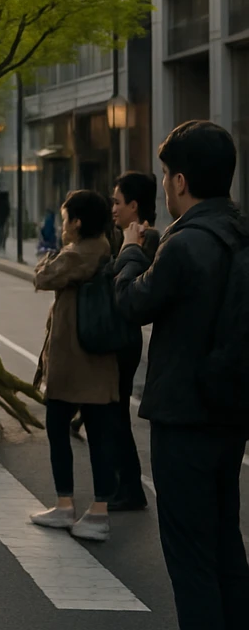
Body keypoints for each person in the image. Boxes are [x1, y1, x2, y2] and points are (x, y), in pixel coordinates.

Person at [114, 121, 249, 630]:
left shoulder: (185, 242)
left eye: (168, 174)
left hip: (184, 416)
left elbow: (132, 303)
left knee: (190, 556)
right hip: (231, 410)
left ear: (179, 182)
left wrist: (129, 250)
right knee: (224, 543)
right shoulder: (238, 231)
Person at [30, 189, 118, 542]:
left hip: (74, 360)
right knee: (99, 436)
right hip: (97, 361)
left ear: (77, 223)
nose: (63, 226)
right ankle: (97, 508)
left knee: (57, 427)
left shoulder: (79, 254)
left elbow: (42, 277)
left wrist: (49, 256)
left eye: (66, 219)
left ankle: (72, 506)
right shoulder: (104, 249)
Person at [104, 171, 159, 512]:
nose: (113, 207)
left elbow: (130, 281)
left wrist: (123, 253)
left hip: (125, 337)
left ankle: (129, 487)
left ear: (134, 205)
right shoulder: (128, 235)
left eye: (118, 201)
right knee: (114, 412)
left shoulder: (146, 238)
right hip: (122, 335)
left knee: (117, 413)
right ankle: (123, 485)